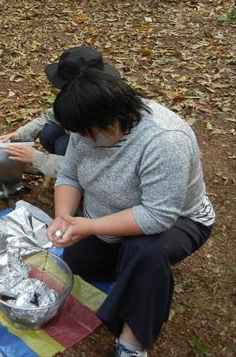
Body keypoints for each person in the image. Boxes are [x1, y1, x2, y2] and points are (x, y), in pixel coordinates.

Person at [46, 69, 214, 357]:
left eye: (86, 134)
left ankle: (132, 342)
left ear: (112, 123)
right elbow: (69, 176)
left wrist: (89, 226)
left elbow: (157, 216)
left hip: (180, 219)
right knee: (77, 261)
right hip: (108, 217)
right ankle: (139, 274)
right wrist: (64, 216)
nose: (80, 139)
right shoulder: (86, 127)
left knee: (144, 250)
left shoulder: (164, 141)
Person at [0, 45, 120, 177]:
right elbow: (49, 116)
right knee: (49, 133)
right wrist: (21, 134)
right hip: (81, 148)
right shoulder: (78, 102)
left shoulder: (106, 122)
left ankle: (72, 181)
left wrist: (38, 159)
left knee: (62, 145)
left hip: (96, 169)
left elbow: (94, 166)